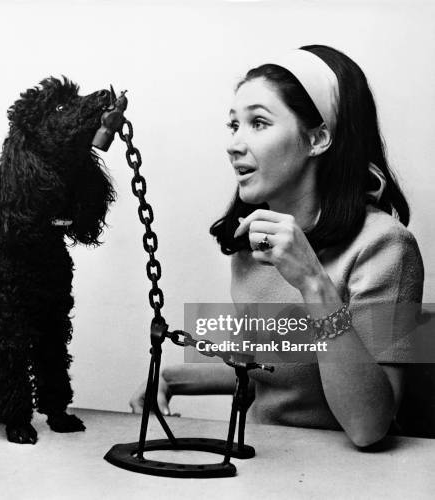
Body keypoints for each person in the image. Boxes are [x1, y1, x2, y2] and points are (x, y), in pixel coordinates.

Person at [129, 45, 426, 447]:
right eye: (233, 125)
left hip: (353, 475)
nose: (234, 144)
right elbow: (281, 367)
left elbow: (368, 426)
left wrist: (313, 283)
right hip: (264, 461)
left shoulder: (387, 247)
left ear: (318, 138)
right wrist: (170, 379)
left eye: (259, 123)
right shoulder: (254, 246)